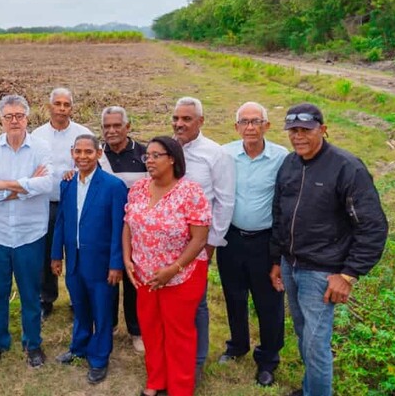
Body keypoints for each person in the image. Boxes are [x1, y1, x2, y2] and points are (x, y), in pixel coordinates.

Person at [270, 103, 388, 396]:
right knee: (303, 334)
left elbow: (373, 226)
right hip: (290, 264)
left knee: (315, 344)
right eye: (293, 131)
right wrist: (277, 259)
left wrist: (348, 275)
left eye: (306, 130)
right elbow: (280, 214)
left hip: (322, 273)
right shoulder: (289, 164)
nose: (298, 136)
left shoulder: (347, 168)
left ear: (322, 129)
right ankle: (310, 388)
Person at [123, 136, 211, 396]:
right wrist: (128, 259)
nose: (149, 160)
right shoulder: (138, 188)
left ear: (172, 158)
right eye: (146, 156)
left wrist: (173, 269)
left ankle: (180, 388)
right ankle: (156, 381)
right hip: (145, 275)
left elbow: (200, 237)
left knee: (178, 333)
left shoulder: (190, 192)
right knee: (150, 328)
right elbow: (128, 224)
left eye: (155, 155)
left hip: (181, 276)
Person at [0, 94, 53, 367]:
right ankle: (0, 343)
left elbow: (46, 185)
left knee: (30, 294)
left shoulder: (41, 147)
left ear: (27, 117)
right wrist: (25, 186)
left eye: (19, 115)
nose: (14, 121)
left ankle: (33, 344)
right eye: (8, 116)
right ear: (0, 120)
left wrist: (3, 184)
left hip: (29, 234)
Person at [217, 102, 287, 387]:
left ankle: (268, 359)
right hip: (231, 238)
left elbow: (286, 204)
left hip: (265, 240)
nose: (250, 127)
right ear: (236, 127)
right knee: (234, 296)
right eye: (244, 122)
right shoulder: (225, 154)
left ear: (266, 126)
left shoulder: (282, 158)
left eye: (256, 121)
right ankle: (237, 345)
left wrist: (280, 251)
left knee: (269, 302)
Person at [50, 134, 128, 384]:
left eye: (88, 152)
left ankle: (99, 357)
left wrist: (116, 263)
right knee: (80, 306)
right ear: (72, 153)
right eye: (78, 152)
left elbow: (119, 228)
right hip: (74, 260)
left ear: (99, 153)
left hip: (101, 263)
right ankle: (79, 346)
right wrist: (56, 255)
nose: (83, 157)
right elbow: (62, 220)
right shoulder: (68, 183)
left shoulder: (113, 186)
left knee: (102, 311)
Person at [172, 96, 235, 376]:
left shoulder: (215, 154)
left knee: (196, 301)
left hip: (198, 242)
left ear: (201, 121)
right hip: (166, 242)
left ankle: (196, 361)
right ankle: (174, 353)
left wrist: (212, 243)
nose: (179, 124)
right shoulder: (168, 149)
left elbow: (224, 202)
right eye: (176, 118)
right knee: (171, 298)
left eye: (186, 119)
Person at [31, 87, 93, 320]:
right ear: (49, 106)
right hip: (46, 203)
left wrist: (76, 173)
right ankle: (46, 298)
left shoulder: (82, 133)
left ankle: (78, 299)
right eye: (58, 104)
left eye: (66, 105)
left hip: (76, 202)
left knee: (77, 251)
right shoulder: (37, 135)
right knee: (47, 251)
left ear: (71, 108)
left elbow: (92, 163)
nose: (62, 109)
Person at [97, 106, 147, 352]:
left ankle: (136, 329)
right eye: (107, 126)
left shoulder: (144, 154)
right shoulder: (96, 155)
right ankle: (109, 325)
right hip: (105, 229)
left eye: (117, 125)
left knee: (132, 280)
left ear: (128, 127)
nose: (112, 131)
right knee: (106, 278)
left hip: (136, 231)